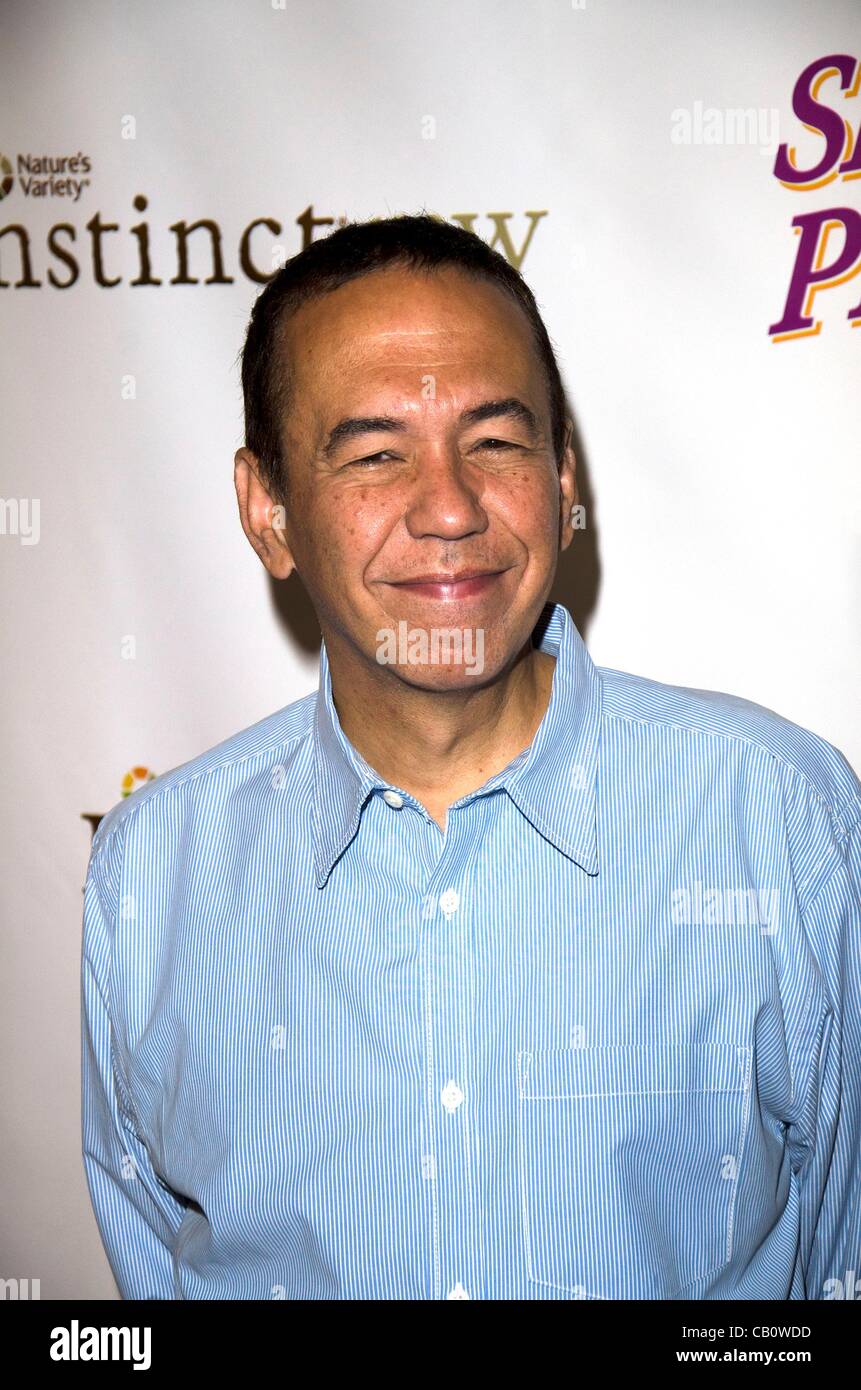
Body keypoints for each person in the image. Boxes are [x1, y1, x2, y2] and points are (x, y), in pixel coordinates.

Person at [81, 213, 861, 1300]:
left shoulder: (780, 816)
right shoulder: (153, 870)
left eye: (497, 442)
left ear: (562, 477)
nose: (448, 508)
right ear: (268, 511)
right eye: (375, 454)